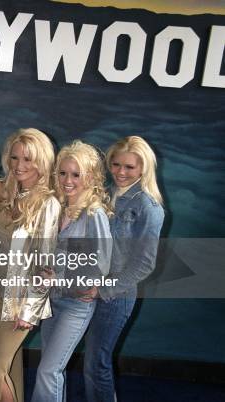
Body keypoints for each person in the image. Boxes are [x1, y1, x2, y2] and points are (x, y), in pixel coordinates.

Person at [0, 128, 60, 402]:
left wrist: (30, 309)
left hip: (21, 301)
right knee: (8, 369)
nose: (19, 166)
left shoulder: (48, 203)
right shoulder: (7, 194)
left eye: (28, 159)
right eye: (14, 158)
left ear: (42, 161)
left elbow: (45, 265)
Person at [83, 135, 164, 402]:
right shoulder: (106, 194)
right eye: (116, 164)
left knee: (97, 363)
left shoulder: (148, 207)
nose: (120, 172)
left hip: (115, 297)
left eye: (129, 167)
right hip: (91, 287)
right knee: (91, 362)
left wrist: (103, 290)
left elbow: (144, 263)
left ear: (143, 169)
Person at [31, 140, 112, 402]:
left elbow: (100, 265)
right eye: (63, 173)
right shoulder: (54, 207)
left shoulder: (93, 213)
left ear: (89, 177)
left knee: (48, 371)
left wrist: (60, 279)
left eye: (76, 174)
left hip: (76, 304)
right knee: (51, 370)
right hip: (50, 301)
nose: (68, 180)